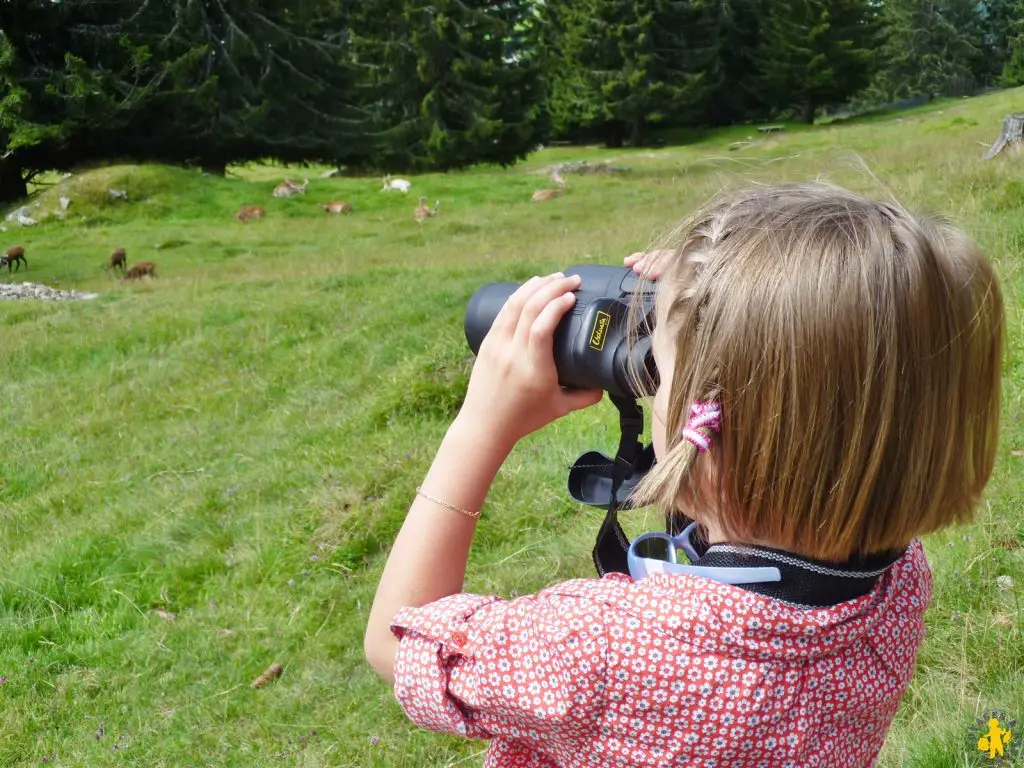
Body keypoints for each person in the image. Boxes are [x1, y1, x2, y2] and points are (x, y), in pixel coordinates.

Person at [363, 182, 1005, 767]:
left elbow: (399, 640)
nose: (647, 382)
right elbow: (843, 386)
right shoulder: (894, 587)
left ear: (713, 431)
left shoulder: (590, 651)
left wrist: (479, 429)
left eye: (660, 373)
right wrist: (721, 305)